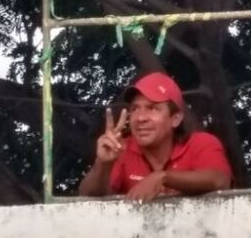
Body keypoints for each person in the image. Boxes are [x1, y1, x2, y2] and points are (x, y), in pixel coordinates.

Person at [79, 72, 233, 201]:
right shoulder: (122, 148)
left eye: (152, 108)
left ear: (176, 119)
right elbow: (88, 197)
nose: (140, 118)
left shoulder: (200, 143)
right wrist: (103, 164)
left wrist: (163, 177)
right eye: (135, 109)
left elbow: (220, 180)